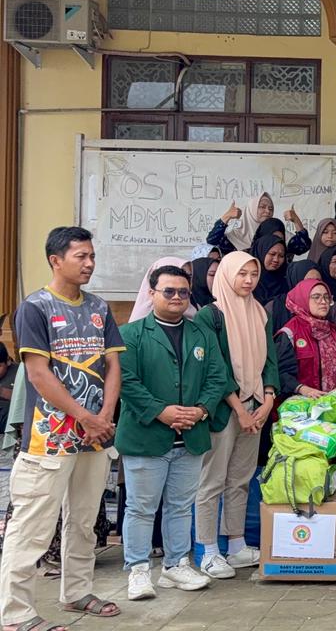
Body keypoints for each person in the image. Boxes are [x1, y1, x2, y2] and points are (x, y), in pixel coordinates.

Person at [1, 227, 125, 629]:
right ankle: (16, 614)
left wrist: (104, 416)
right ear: (56, 260)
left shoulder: (99, 307)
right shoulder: (35, 307)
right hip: (49, 436)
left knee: (84, 520)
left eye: (92, 256)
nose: (89, 264)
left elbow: (113, 366)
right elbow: (38, 374)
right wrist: (85, 416)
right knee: (32, 527)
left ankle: (76, 592)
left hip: (95, 435)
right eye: (80, 256)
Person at [118, 265, 229, 600]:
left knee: (180, 506)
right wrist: (161, 412)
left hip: (190, 437)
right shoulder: (130, 335)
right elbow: (126, 382)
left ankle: (176, 565)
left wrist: (202, 409)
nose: (177, 297)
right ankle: (138, 570)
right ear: (151, 293)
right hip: (146, 437)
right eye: (169, 291)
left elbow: (218, 377)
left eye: (183, 292)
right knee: (141, 508)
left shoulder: (202, 334)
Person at [191, 251, 278, 580]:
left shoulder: (259, 312)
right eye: (242, 274)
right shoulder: (210, 316)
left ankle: (237, 545)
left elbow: (269, 359)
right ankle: (209, 550)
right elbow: (214, 367)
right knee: (212, 480)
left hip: (255, 405)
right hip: (225, 409)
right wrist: (240, 409)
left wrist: (268, 399)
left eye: (253, 274)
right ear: (227, 275)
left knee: (241, 479)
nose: (248, 280)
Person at [274, 279, 336, 401]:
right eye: (316, 297)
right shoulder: (290, 333)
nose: (323, 302)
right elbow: (280, 373)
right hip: (301, 406)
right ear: (303, 299)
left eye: (326, 297)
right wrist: (302, 389)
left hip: (331, 403)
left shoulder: (331, 330)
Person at [129, 257, 198, 323]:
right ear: (152, 293)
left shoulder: (196, 314)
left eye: (189, 275)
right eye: (168, 291)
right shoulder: (138, 326)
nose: (176, 296)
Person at [249, 235, 289, 307]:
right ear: (261, 252)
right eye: (272, 254)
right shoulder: (246, 279)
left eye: (281, 256)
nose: (276, 260)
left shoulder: (286, 280)